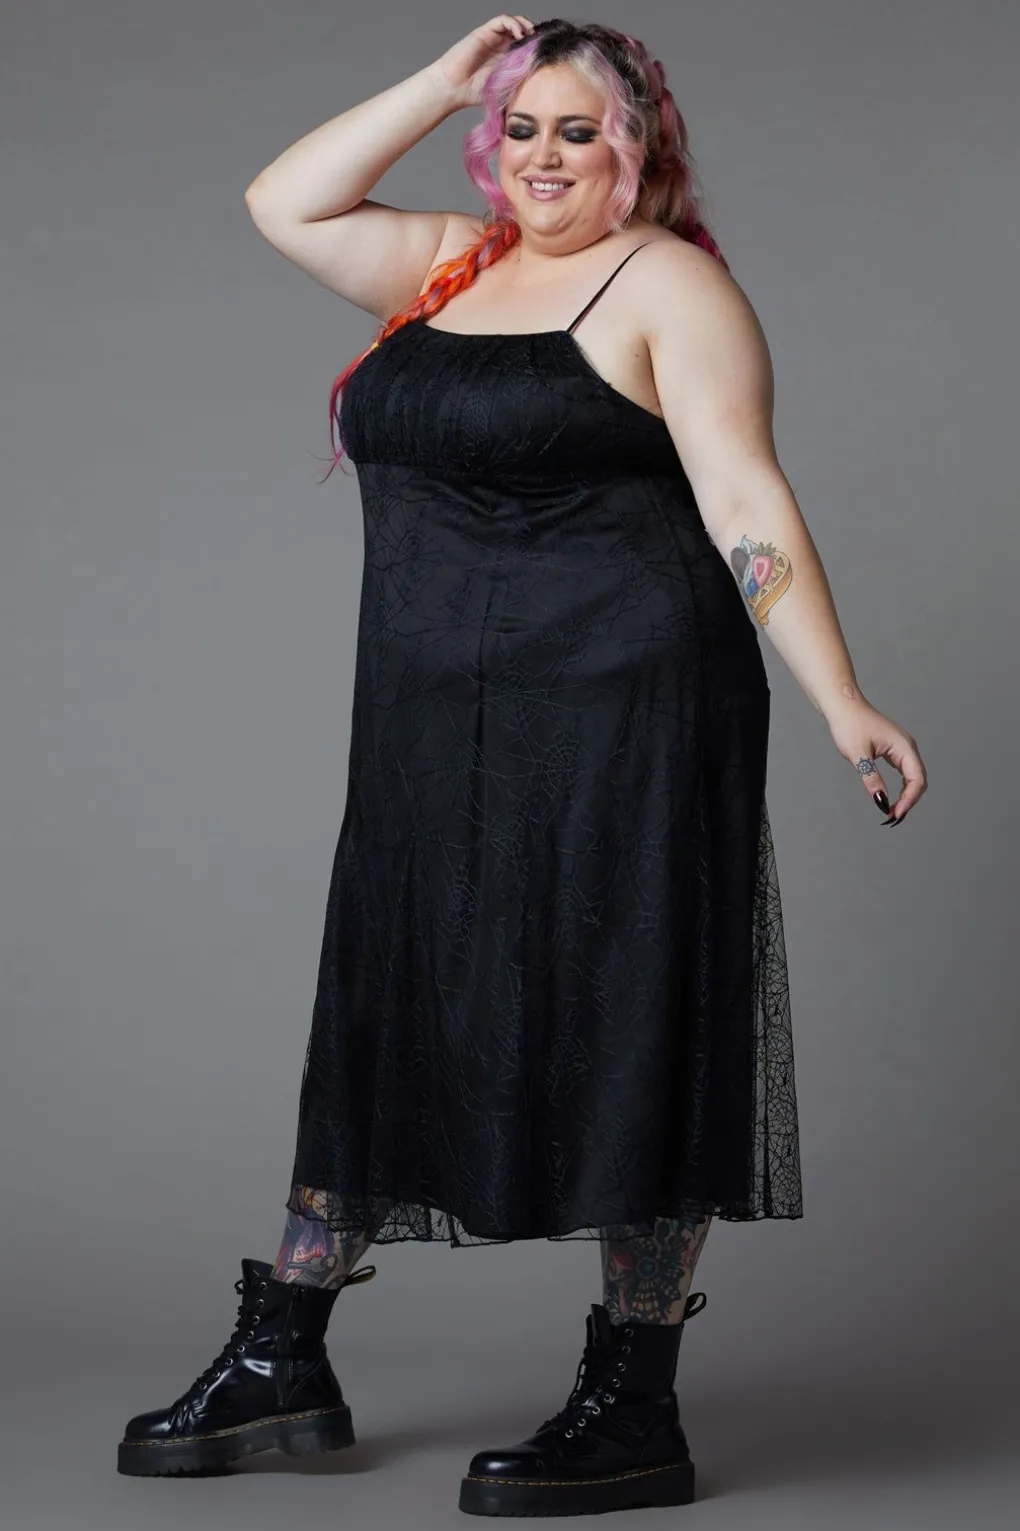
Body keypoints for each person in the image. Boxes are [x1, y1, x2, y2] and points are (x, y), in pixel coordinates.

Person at [116, 13, 928, 1517]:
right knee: (389, 1000)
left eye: (581, 129)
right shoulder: (450, 262)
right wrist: (441, 84)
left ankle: (635, 1400)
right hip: (429, 726)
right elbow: (283, 201)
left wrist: (840, 697)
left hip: (628, 714)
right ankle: (286, 1354)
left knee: (635, 1012)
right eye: (522, 127)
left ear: (639, 147)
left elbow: (745, 497)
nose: (546, 156)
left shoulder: (669, 285)